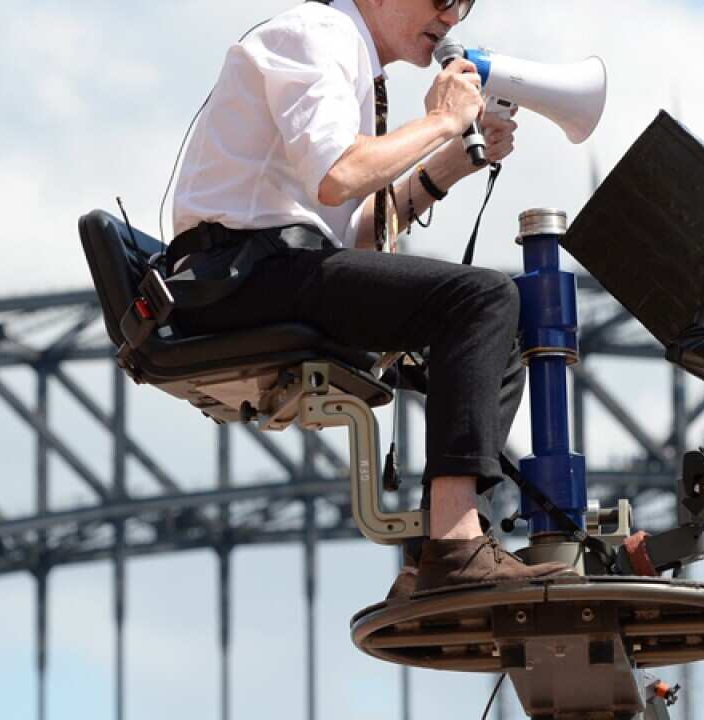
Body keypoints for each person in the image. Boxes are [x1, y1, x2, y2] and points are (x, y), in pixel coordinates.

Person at [170, 0, 576, 598]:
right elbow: (339, 174)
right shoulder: (318, 33)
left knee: (500, 344)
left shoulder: (352, 58)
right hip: (240, 271)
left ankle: (436, 553)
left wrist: (453, 163)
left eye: (465, 5)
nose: (452, 17)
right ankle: (457, 546)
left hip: (272, 269)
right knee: (483, 299)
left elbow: (356, 234)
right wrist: (442, 121)